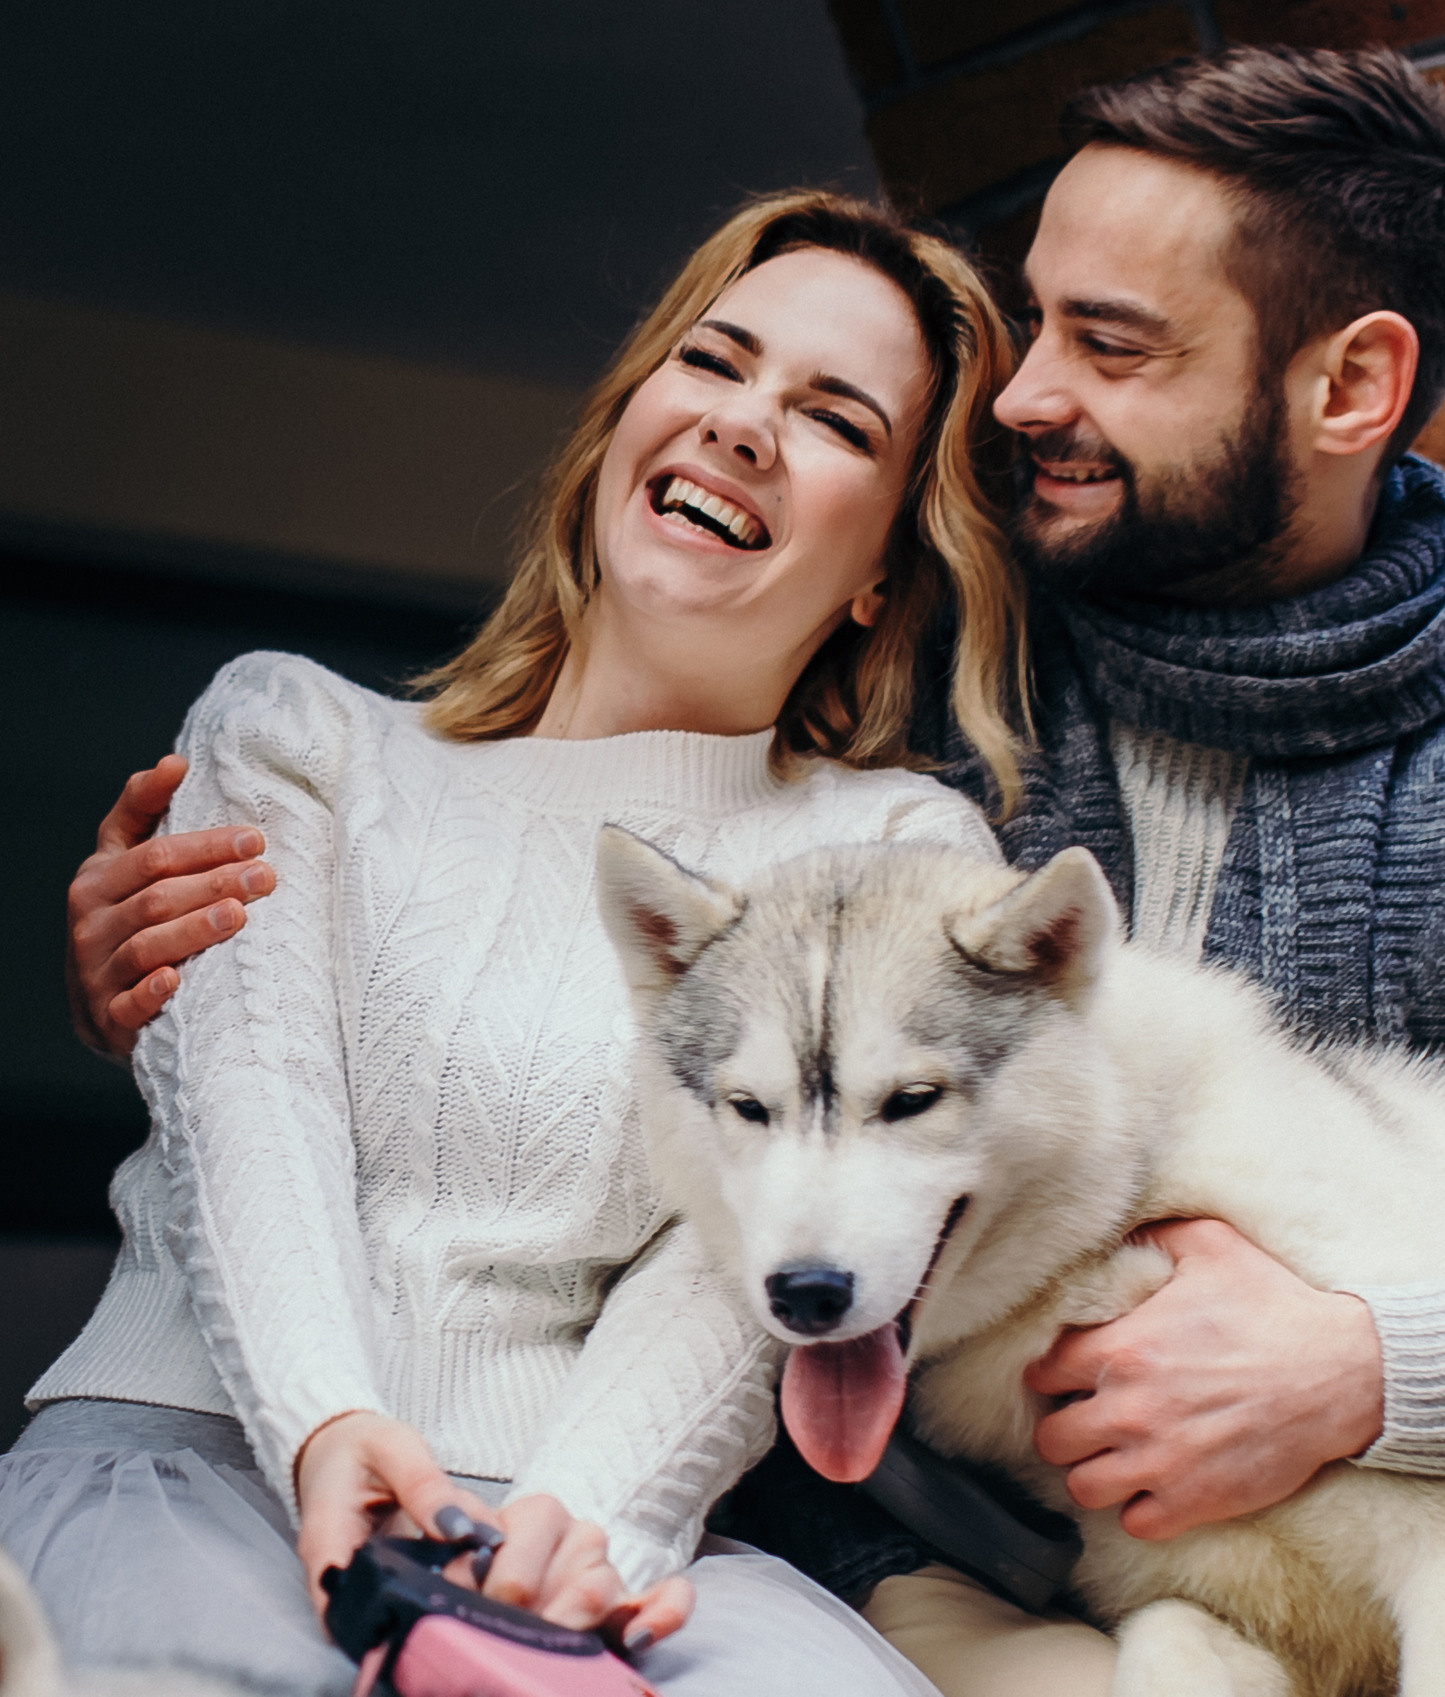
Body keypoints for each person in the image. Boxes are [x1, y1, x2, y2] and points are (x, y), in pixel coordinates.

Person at [66, 47, 1445, 1697]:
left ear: (1352, 383)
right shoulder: (908, 697)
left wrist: (1349, 1363)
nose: (1026, 401)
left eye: (1114, 344)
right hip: (903, 1565)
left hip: (1285, 1574)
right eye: (1029, 337)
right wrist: (176, 994)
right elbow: (529, 969)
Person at [17, 189, 1029, 1695]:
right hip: (191, 1462)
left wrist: (576, 1538)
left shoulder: (892, 856)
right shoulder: (292, 734)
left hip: (582, 1524)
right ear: (627, 419)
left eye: (833, 419)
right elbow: (257, 1114)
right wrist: (324, 1425)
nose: (743, 424)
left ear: (886, 567)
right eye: (714, 362)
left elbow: (744, 1255)